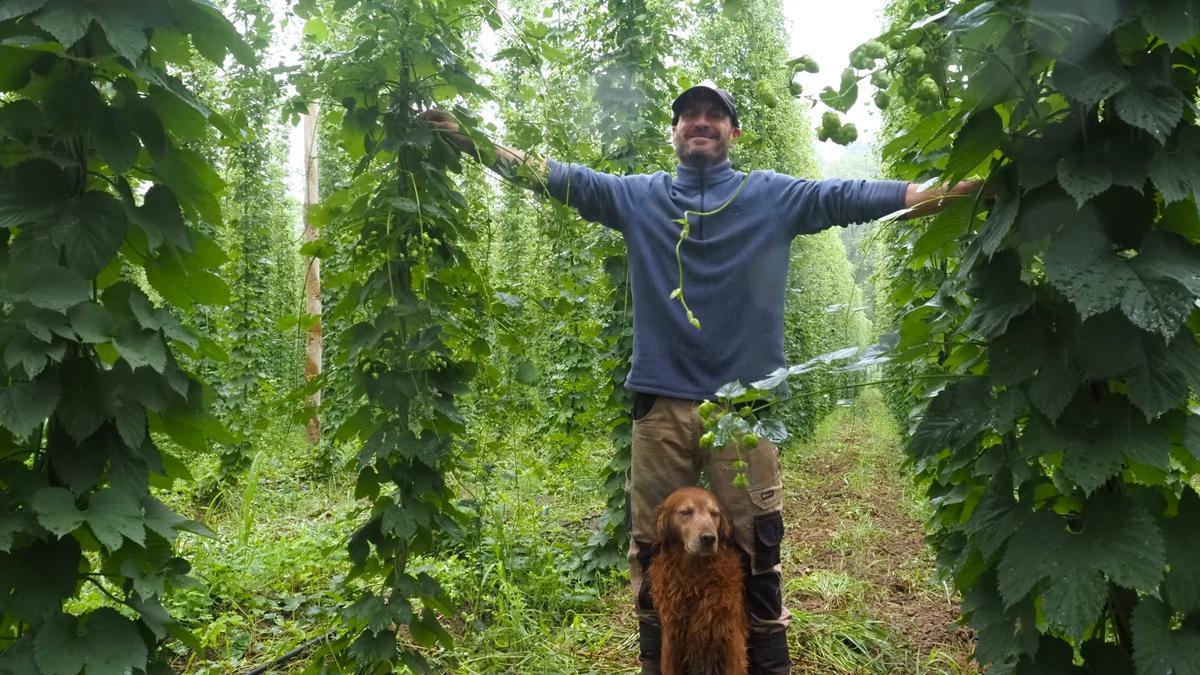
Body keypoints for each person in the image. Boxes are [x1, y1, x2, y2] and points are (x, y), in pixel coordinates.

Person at [425, 82, 979, 675]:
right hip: (661, 407)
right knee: (652, 547)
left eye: (715, 114)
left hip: (746, 410)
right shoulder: (639, 198)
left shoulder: (770, 195)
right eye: (689, 114)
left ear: (733, 132)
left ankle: (767, 665)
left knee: (757, 546)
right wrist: (473, 140)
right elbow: (560, 178)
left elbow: (847, 196)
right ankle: (659, 662)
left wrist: (937, 192)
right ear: (674, 131)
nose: (701, 121)